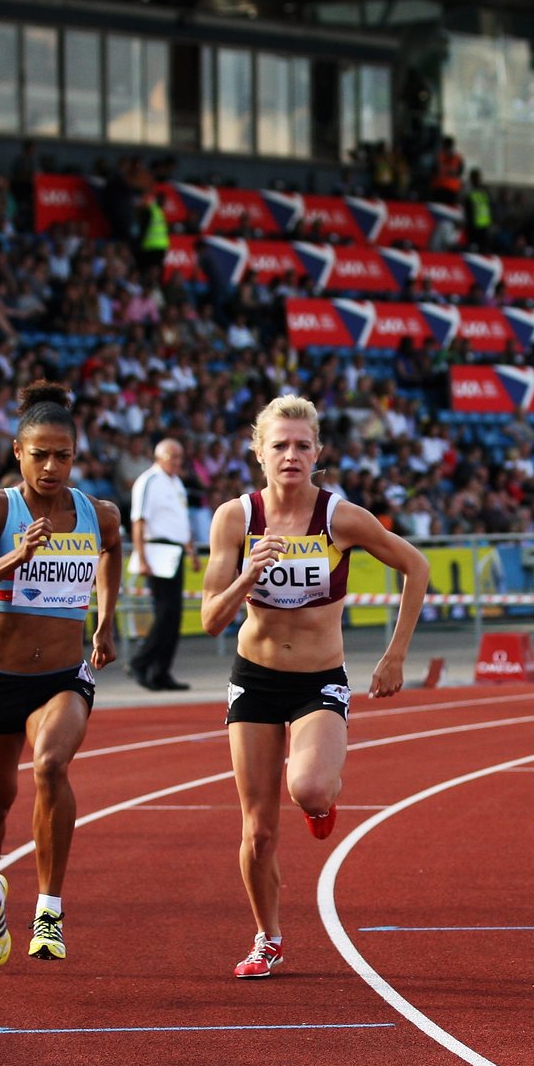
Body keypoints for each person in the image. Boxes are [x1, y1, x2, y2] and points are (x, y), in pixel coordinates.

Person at [199, 396, 430, 978]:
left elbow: (416, 566)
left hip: (319, 681)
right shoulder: (235, 518)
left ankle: (323, 799)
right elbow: (210, 619)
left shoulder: (340, 517)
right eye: (279, 445)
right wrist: (248, 574)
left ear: (318, 453)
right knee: (257, 827)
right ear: (258, 452)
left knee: (309, 789)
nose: (291, 455)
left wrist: (395, 653)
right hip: (254, 678)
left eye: (303, 446)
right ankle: (267, 937)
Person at [0, 383, 122, 966]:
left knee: (52, 764)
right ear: (17, 452)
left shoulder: (96, 513)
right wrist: (13, 558)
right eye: (40, 455)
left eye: (64, 456)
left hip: (63, 676)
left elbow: (113, 549)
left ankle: (49, 912)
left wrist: (105, 622)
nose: (52, 467)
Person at [129, 438, 196, 691]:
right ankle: (140, 661)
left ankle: (161, 670)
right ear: (161, 457)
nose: (178, 463)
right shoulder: (149, 481)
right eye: (174, 458)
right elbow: (139, 520)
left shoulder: (176, 482)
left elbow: (181, 519)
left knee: (173, 615)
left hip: (174, 551)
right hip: (156, 550)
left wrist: (190, 550)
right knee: (165, 612)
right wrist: (142, 556)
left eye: (180, 458)